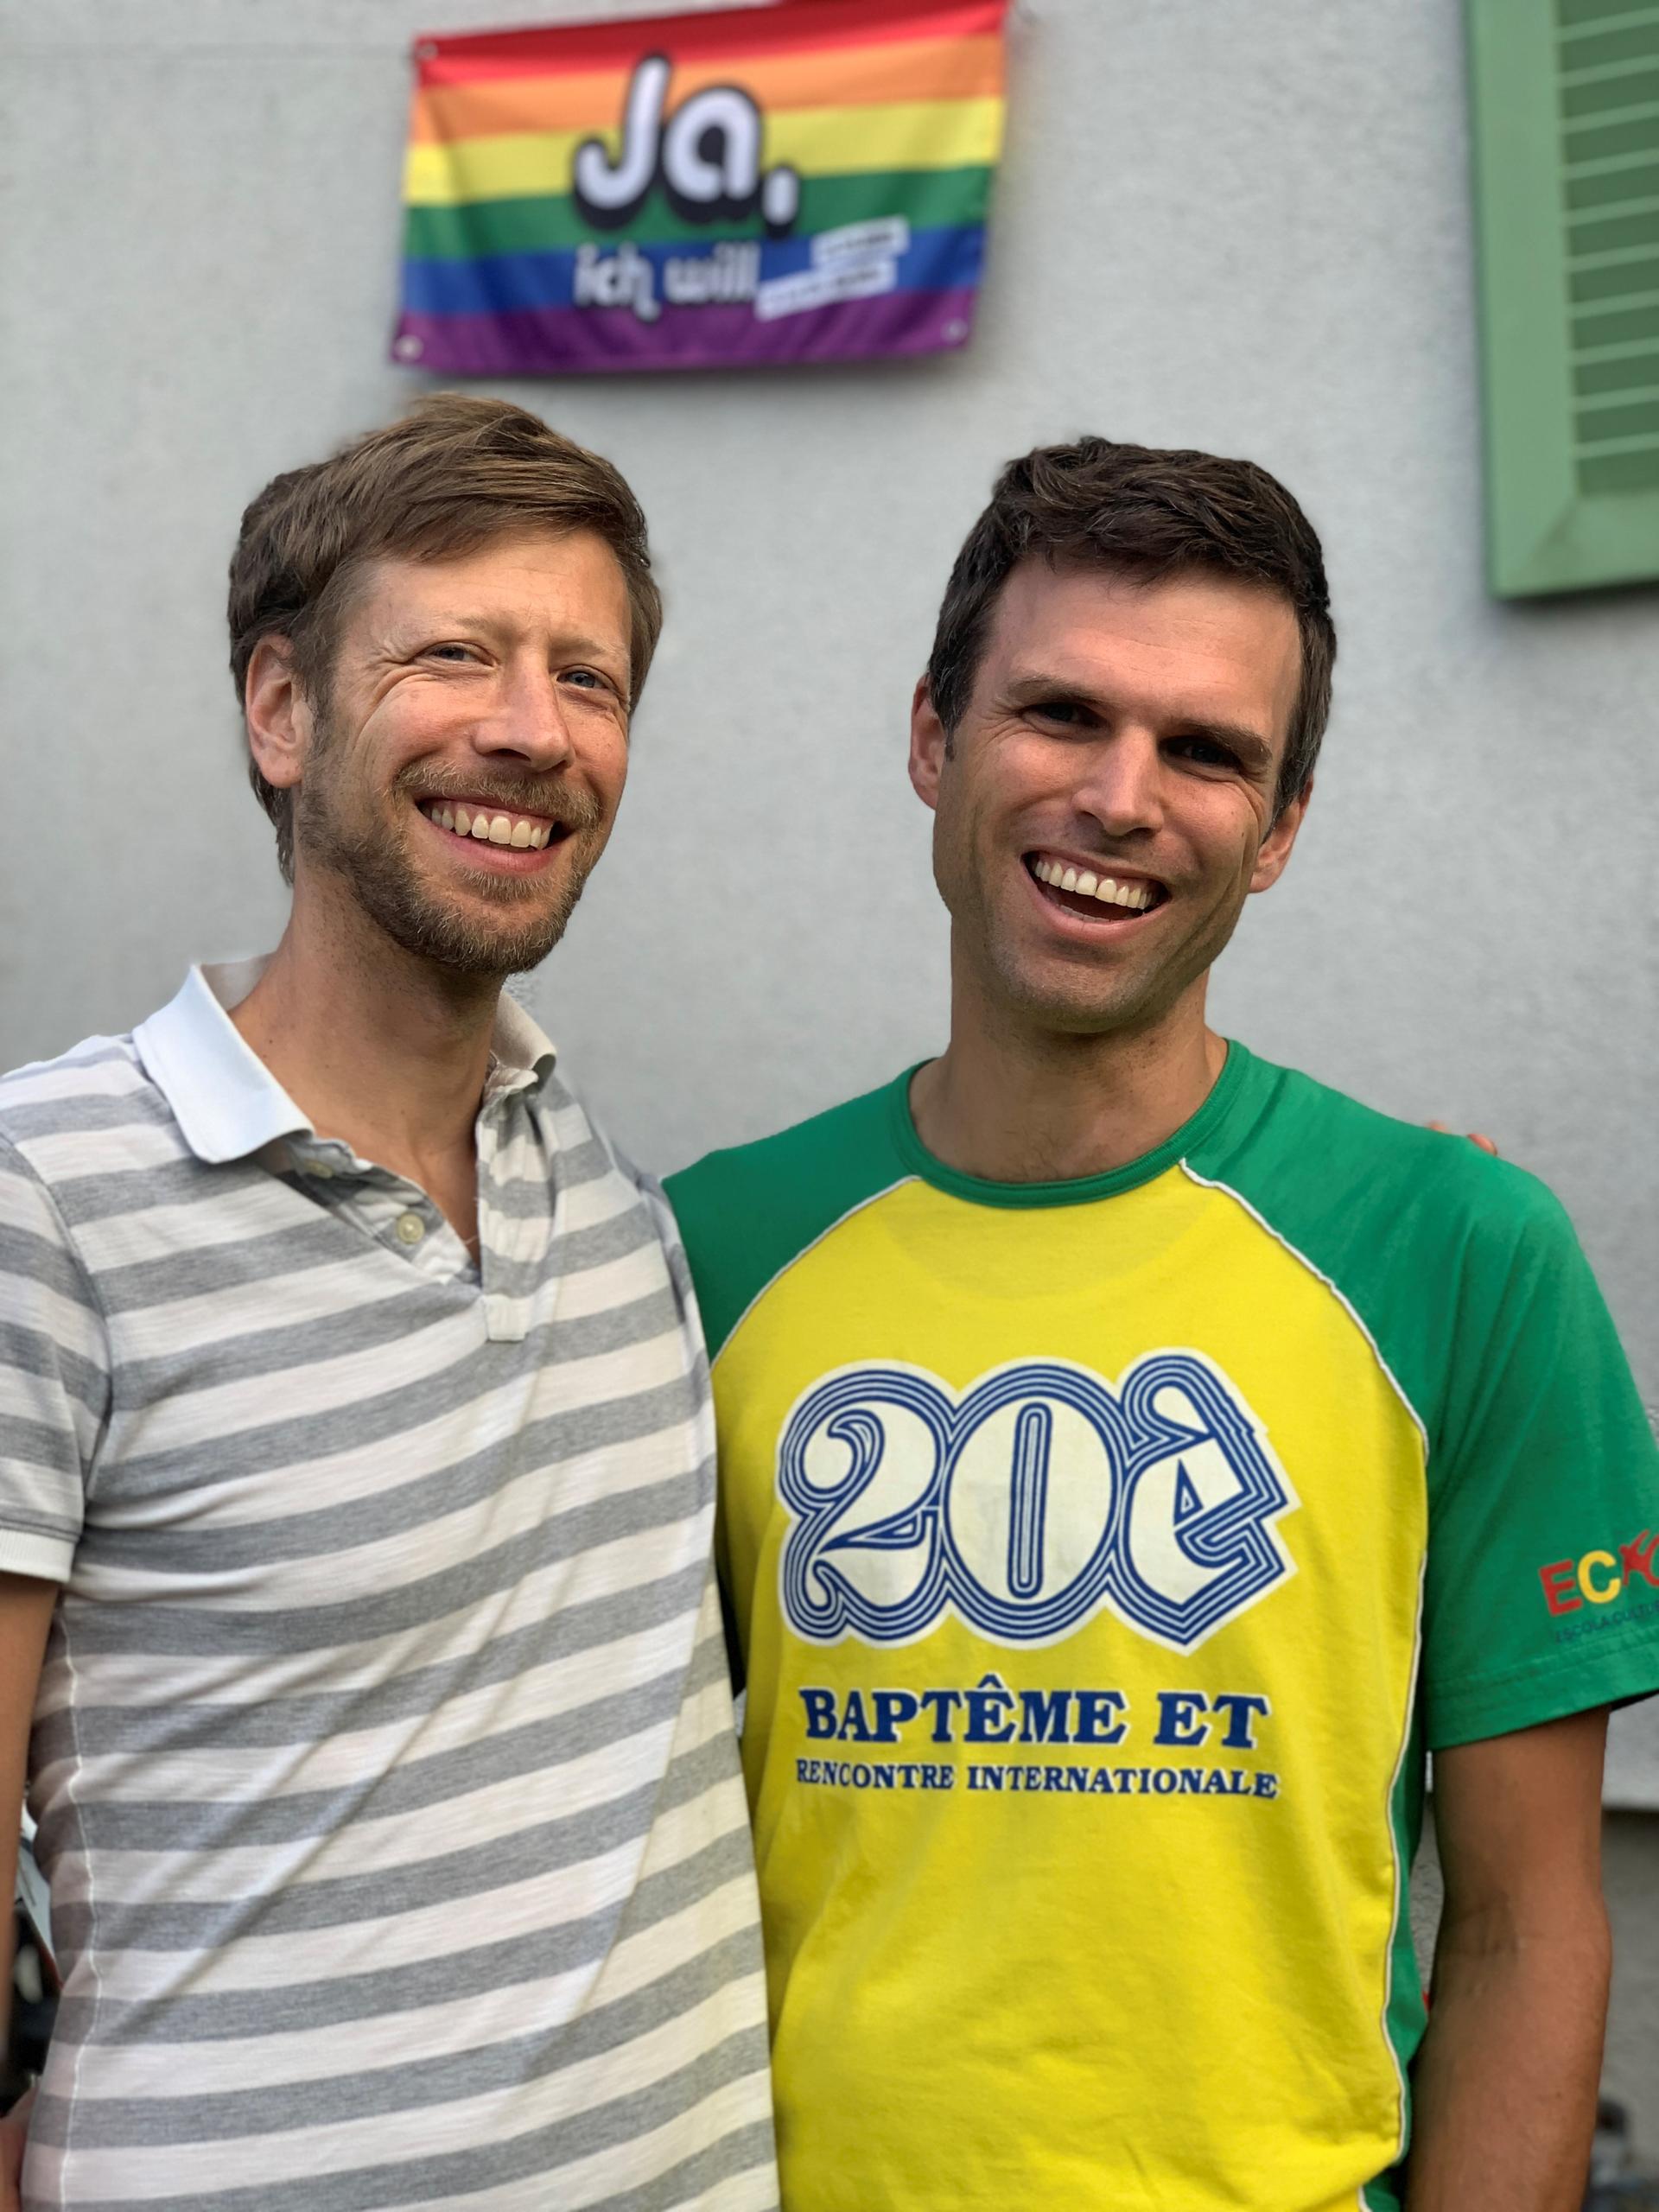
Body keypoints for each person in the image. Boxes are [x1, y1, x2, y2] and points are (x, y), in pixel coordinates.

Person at [665, 439, 1659, 2212]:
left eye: (1207, 750)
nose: (1122, 796)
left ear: (1277, 829)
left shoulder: (1461, 1250)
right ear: (932, 739)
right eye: (1060, 713)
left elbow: (1528, 1925)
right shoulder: (709, 1251)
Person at [0, 397, 778, 2211]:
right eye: (454, 654)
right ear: (282, 711)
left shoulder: (614, 1199)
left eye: (588, 676)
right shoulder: (46, 1190)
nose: (532, 727)